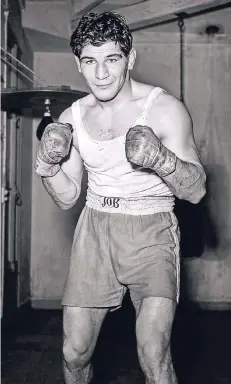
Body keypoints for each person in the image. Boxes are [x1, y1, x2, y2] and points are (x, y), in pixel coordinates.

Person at [35, 11, 206, 384]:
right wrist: (48, 167)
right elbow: (68, 198)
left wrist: (162, 160)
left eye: (112, 59)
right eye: (90, 62)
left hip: (152, 229)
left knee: (152, 351)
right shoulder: (73, 116)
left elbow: (196, 190)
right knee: (74, 352)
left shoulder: (164, 109)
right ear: (77, 64)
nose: (101, 74)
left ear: (130, 58)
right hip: (95, 229)